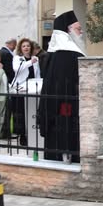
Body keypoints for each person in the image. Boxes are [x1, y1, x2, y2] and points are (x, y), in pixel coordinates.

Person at [38, 11, 84, 163]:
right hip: (65, 106)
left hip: (55, 105)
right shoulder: (68, 54)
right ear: (68, 31)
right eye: (78, 29)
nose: (81, 32)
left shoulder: (54, 53)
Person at [10, 38, 41, 147]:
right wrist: (29, 62)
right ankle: (22, 135)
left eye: (28, 46)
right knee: (21, 114)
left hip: (32, 88)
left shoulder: (35, 58)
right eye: (24, 46)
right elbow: (17, 69)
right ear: (20, 48)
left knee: (31, 112)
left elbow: (37, 73)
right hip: (21, 88)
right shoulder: (17, 58)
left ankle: (32, 135)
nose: (26, 48)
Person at [0, 38, 17, 139]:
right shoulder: (6, 54)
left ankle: (4, 131)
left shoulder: (2, 52)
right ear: (12, 44)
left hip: (4, 83)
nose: (15, 48)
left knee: (5, 110)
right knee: (7, 109)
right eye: (15, 45)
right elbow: (9, 70)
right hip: (7, 83)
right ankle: (5, 132)